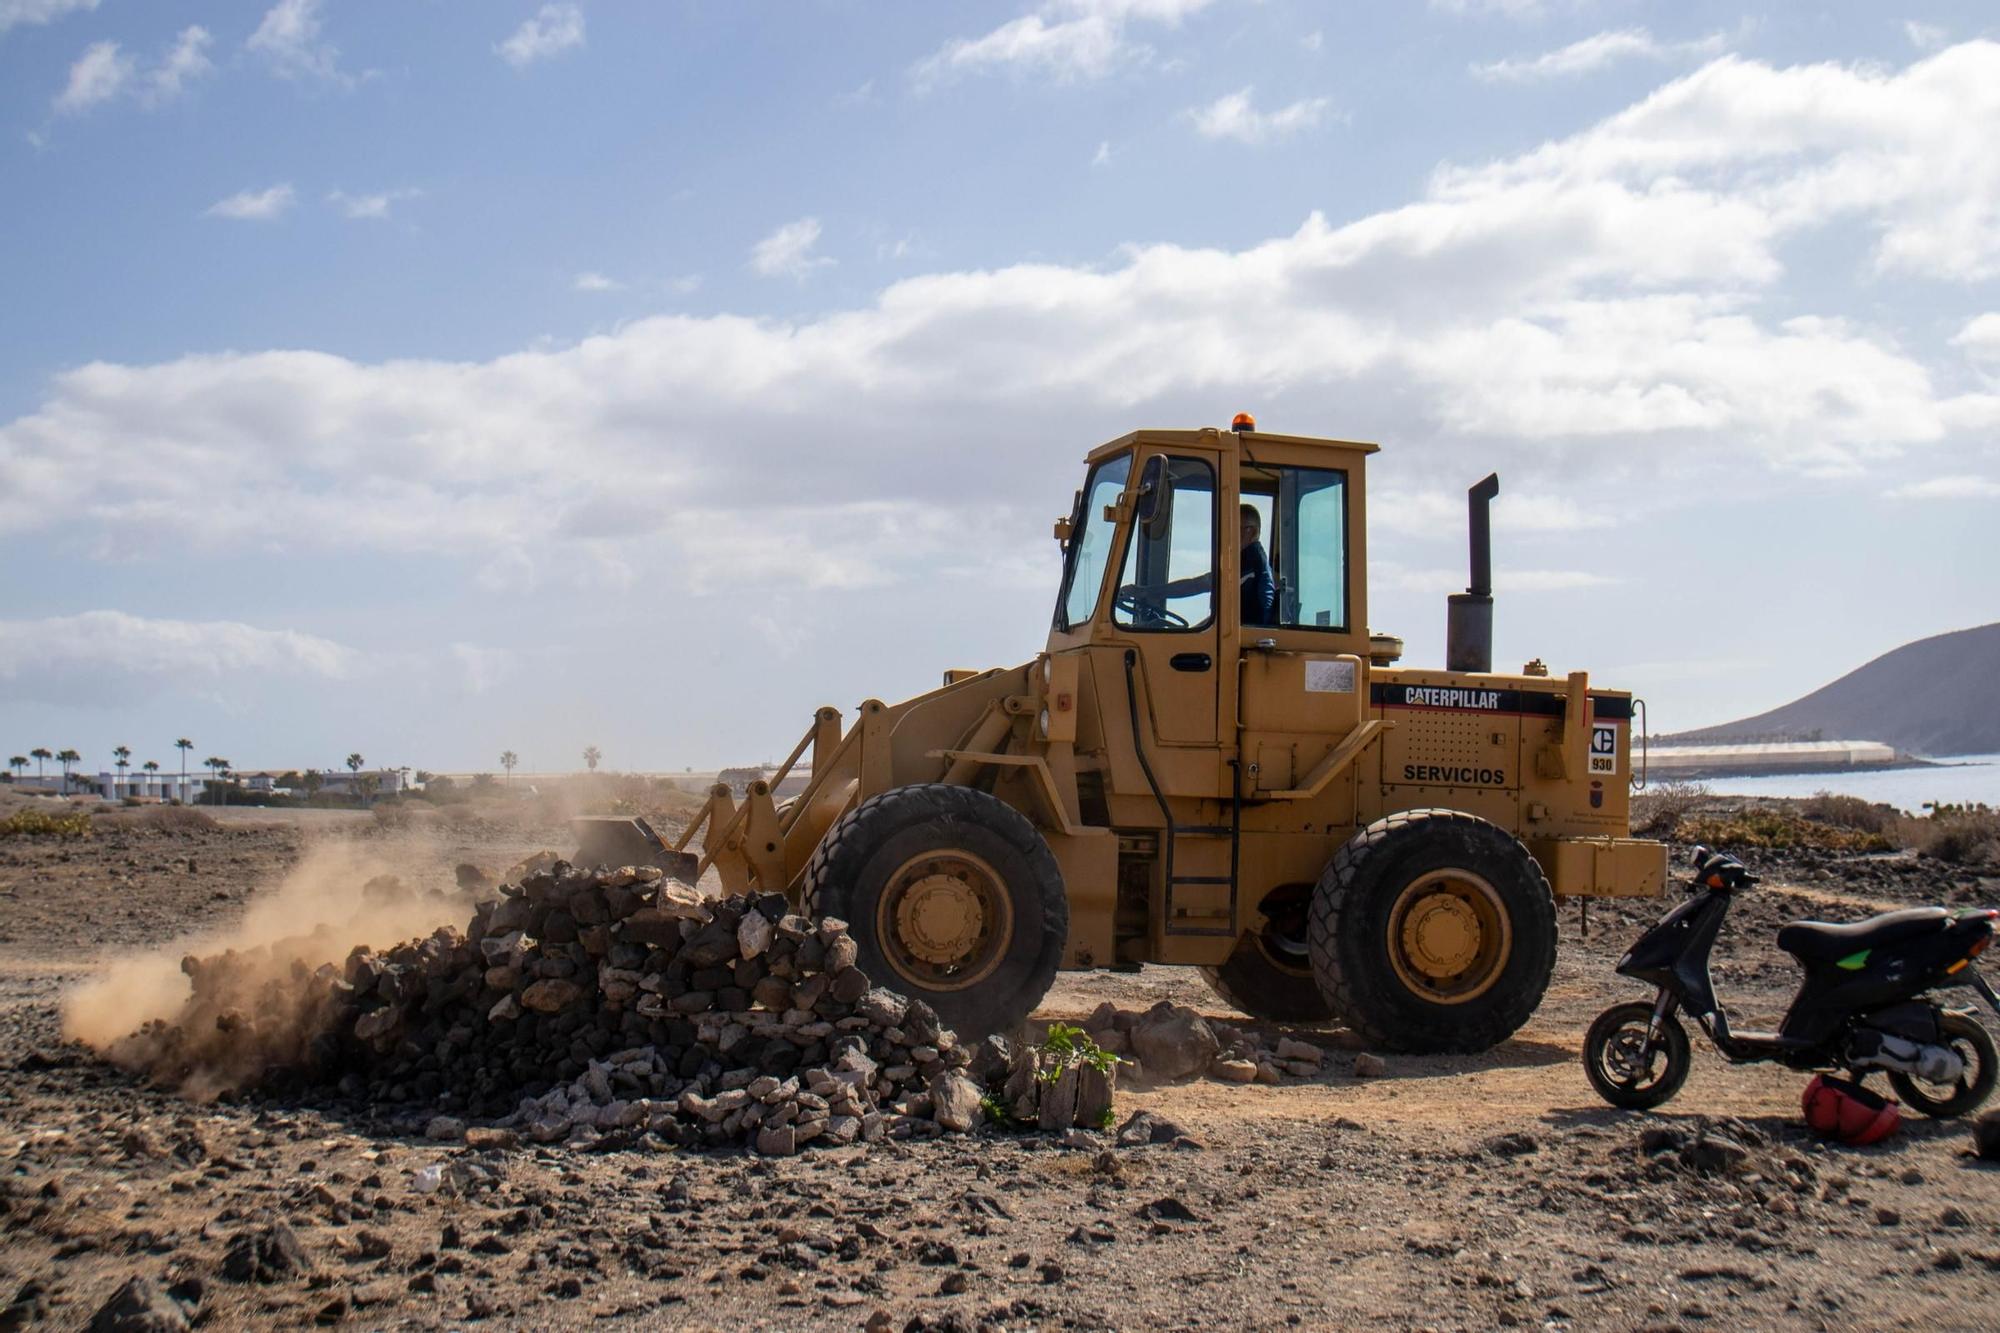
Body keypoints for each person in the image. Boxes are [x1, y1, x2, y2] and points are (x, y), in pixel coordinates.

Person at [1121, 503, 1276, 626]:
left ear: (1251, 531)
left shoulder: (1250, 561)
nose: (1227, 536)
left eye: (1233, 528)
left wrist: (1145, 592)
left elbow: (1197, 585)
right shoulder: (1252, 560)